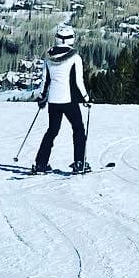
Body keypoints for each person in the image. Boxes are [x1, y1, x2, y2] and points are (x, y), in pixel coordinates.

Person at [31, 24, 90, 174]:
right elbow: (78, 81)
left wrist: (42, 97)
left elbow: (45, 80)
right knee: (78, 129)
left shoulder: (49, 57)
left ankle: (40, 164)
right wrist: (86, 98)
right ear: (72, 39)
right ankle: (79, 163)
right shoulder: (75, 57)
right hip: (69, 100)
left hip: (53, 101)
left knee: (52, 131)